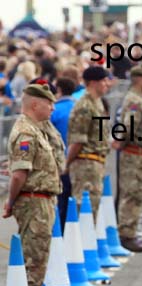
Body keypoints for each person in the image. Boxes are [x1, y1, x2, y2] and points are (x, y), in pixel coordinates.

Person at [2, 81, 62, 286]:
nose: (52, 108)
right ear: (35, 104)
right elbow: (19, 174)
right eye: (49, 104)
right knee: (34, 260)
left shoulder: (37, 129)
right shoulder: (26, 132)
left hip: (41, 200)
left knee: (37, 258)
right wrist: (10, 202)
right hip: (34, 201)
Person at [112, 65, 142, 253]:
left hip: (140, 153)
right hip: (134, 153)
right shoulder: (134, 101)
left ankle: (130, 230)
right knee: (132, 194)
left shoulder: (138, 99)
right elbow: (129, 125)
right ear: (140, 80)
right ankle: (126, 234)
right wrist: (121, 142)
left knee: (137, 193)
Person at [66, 65, 111, 218]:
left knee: (94, 207)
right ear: (92, 82)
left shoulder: (97, 103)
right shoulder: (84, 106)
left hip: (96, 162)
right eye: (104, 81)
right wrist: (66, 164)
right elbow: (78, 141)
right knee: (86, 210)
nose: (107, 84)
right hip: (85, 164)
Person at [50, 77, 75, 231]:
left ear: (58, 90)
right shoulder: (77, 107)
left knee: (60, 201)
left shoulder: (55, 111)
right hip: (78, 160)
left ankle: (59, 234)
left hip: (59, 160)